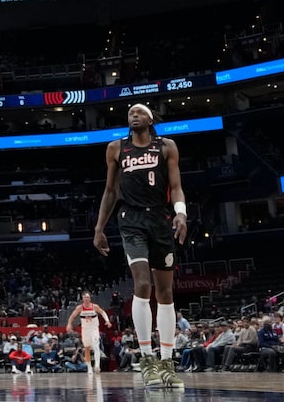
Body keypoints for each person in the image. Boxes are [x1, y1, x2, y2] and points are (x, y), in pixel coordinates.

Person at [93, 103, 188, 390]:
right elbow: (111, 191)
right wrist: (99, 228)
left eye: (139, 112)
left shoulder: (167, 146)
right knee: (143, 284)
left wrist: (181, 213)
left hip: (160, 218)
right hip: (131, 219)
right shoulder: (116, 148)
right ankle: (147, 359)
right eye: (130, 113)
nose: (133, 115)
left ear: (150, 119)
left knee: (166, 292)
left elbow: (176, 186)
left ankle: (167, 363)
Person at [65, 291, 111, 373]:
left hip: (94, 329)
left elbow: (102, 312)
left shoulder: (95, 306)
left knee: (96, 345)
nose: (86, 299)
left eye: (87, 297)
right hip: (85, 330)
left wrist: (107, 321)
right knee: (87, 348)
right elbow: (72, 316)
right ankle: (89, 367)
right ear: (82, 299)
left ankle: (97, 365)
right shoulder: (80, 308)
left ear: (90, 298)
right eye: (85, 297)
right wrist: (69, 324)